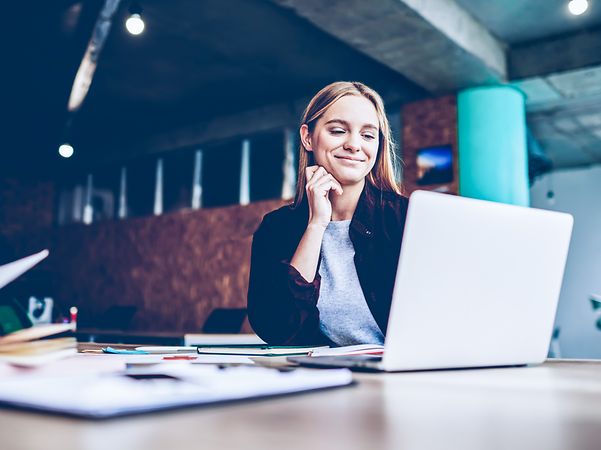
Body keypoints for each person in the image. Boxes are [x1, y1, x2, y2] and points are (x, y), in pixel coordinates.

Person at [247, 81, 409, 346]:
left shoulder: (405, 219)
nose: (355, 145)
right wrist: (316, 225)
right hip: (321, 378)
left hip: (404, 377)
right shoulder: (277, 228)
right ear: (308, 137)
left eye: (368, 135)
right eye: (337, 131)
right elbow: (278, 328)